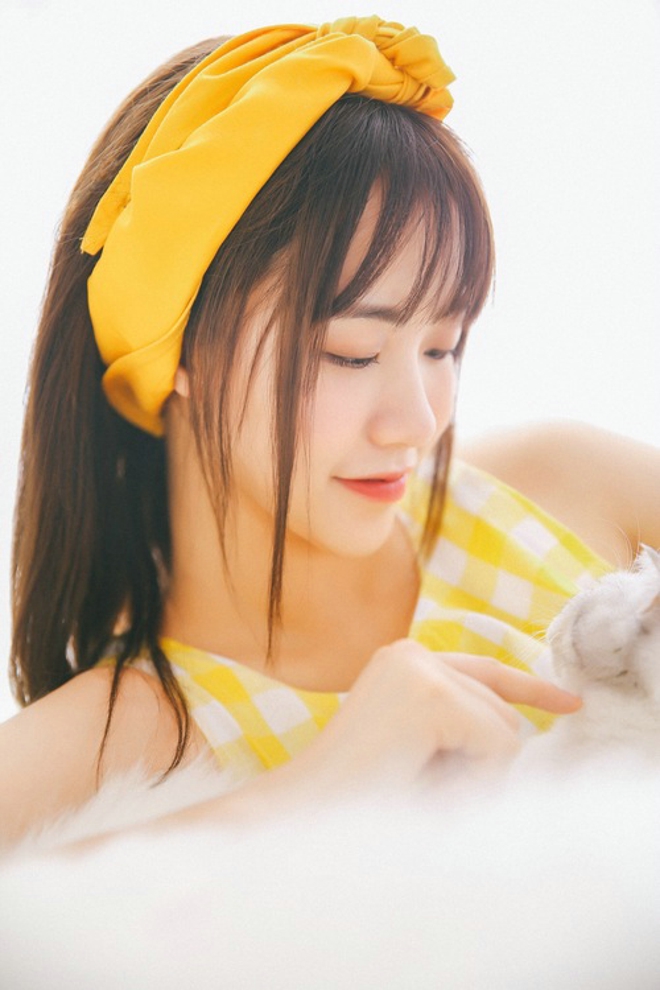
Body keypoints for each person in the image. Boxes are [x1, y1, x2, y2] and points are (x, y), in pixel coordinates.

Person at [1, 17, 658, 843]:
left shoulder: (561, 486)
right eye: (351, 354)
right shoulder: (115, 741)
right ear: (179, 344)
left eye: (442, 346)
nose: (418, 421)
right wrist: (316, 784)